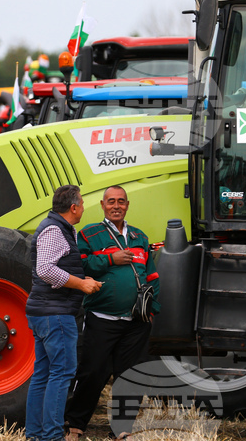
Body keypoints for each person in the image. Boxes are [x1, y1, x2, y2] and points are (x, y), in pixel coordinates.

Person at [64, 186, 161, 441]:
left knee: (131, 378)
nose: (116, 206)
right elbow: (79, 264)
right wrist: (110, 260)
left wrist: (152, 310)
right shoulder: (90, 234)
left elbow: (152, 276)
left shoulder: (139, 236)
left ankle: (122, 430)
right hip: (102, 320)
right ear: (102, 205)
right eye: (111, 202)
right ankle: (75, 426)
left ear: (127, 205)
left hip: (136, 323)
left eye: (120, 201)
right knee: (92, 374)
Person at [24, 185, 101, 441]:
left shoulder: (57, 228)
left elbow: (52, 267)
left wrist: (81, 278)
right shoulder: (56, 230)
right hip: (55, 313)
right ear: (74, 207)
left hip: (44, 311)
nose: (83, 208)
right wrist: (80, 284)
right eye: (82, 203)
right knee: (62, 373)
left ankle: (36, 435)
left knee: (44, 374)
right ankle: (52, 436)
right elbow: (45, 269)